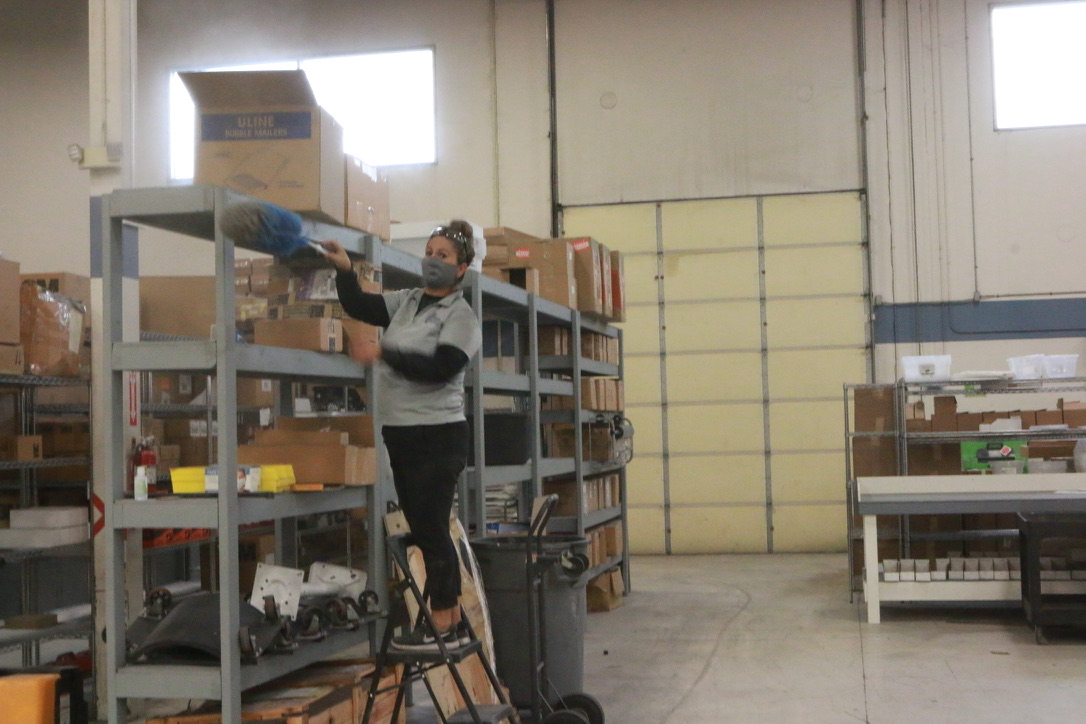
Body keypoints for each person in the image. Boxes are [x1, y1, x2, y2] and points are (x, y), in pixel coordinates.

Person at [319, 220, 482, 651]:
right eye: (429, 252)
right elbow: (359, 305)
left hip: (438, 434)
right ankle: (449, 618)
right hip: (402, 432)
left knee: (431, 527)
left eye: (443, 255)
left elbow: (441, 367)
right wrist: (344, 268)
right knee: (423, 526)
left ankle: (442, 620)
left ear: (461, 268)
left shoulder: (462, 317)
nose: (432, 260)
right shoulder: (407, 300)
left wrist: (384, 352)